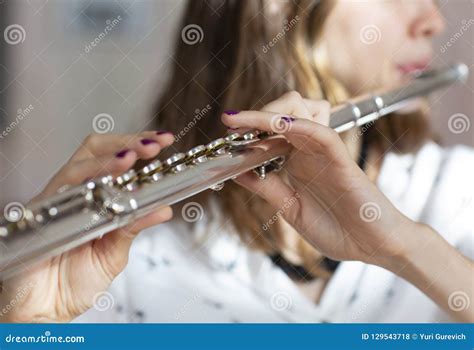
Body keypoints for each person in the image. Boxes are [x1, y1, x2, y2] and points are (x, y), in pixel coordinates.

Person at [1, 0, 472, 323]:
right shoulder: (129, 246)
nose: (432, 19)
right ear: (279, 9)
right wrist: (31, 321)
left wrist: (406, 249)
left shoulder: (455, 192)